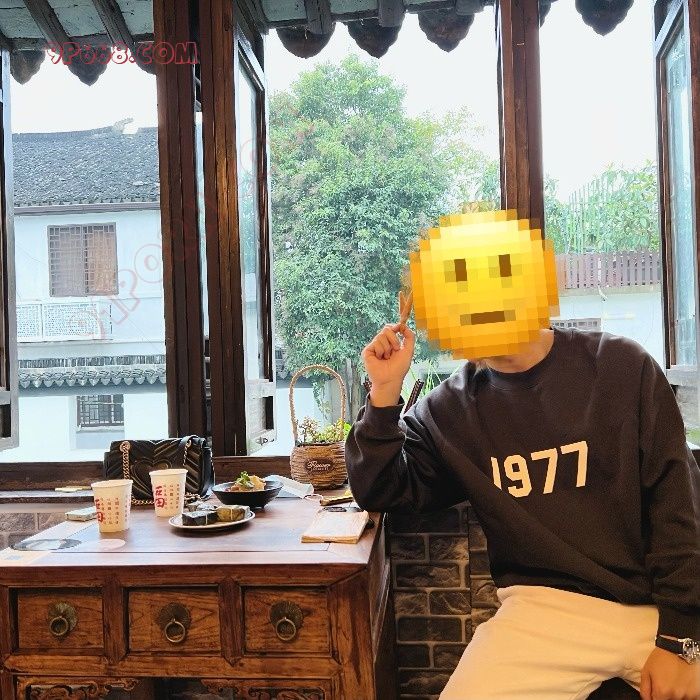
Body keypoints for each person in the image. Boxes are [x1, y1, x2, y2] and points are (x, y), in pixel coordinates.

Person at [345, 321, 700, 700]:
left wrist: (681, 636)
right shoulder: (448, 410)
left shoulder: (621, 365)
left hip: (657, 606)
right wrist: (384, 391)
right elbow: (380, 488)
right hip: (541, 612)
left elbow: (679, 505)